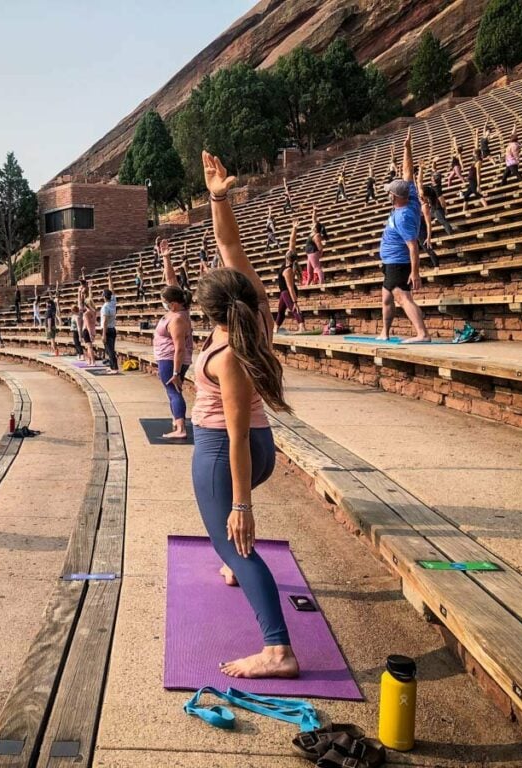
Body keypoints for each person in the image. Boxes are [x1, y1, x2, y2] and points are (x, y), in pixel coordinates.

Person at [192, 150, 298, 679]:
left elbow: (233, 434)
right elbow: (230, 243)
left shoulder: (228, 351)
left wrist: (242, 505)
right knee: (231, 545)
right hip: (259, 446)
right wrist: (217, 197)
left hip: (228, 450)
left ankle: (278, 649)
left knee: (236, 545)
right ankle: (235, 565)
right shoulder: (254, 313)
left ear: (208, 311)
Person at [378, 128, 431, 343]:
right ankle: (385, 332)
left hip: (399, 262)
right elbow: (408, 172)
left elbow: (413, 246)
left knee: (402, 297)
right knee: (386, 298)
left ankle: (422, 334)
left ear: (396, 197)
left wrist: (415, 272)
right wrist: (407, 148)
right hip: (391, 261)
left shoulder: (404, 217)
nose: (388, 194)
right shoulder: (409, 196)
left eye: (390, 192)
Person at [155, 238, 194, 439]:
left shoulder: (178, 318)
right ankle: (177, 421)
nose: (163, 303)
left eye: (165, 301)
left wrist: (177, 372)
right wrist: (166, 258)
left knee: (173, 390)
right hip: (169, 357)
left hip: (172, 359)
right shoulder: (181, 307)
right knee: (172, 391)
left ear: (174, 304)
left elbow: (179, 348)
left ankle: (180, 428)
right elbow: (171, 281)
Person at [274, 222, 307, 334]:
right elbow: (292, 242)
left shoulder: (287, 270)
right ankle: (276, 328)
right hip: (284, 292)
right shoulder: (288, 262)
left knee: (293, 308)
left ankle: (302, 326)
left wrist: (295, 301)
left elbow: (290, 287)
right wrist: (294, 228)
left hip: (288, 292)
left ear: (287, 257)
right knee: (281, 311)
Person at [100, 268, 119, 373]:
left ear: (104, 297)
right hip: (113, 328)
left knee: (109, 349)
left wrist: (103, 334)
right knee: (110, 349)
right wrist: (110, 277)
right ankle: (112, 366)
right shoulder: (113, 302)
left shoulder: (105, 307)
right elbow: (112, 289)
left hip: (107, 329)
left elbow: (105, 321)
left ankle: (114, 368)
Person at [302, 208, 324, 286]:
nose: (312, 225)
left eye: (314, 225)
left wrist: (320, 253)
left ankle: (322, 283)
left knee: (317, 268)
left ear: (315, 228)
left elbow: (320, 247)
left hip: (313, 253)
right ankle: (307, 284)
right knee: (309, 271)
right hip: (309, 254)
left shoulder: (316, 235)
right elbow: (313, 219)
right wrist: (314, 211)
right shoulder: (313, 232)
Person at [82, 298, 97, 367]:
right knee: (89, 347)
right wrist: (93, 332)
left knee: (89, 347)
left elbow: (87, 325)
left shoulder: (86, 313)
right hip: (92, 330)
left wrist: (90, 334)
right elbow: (93, 323)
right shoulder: (94, 312)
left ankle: (92, 361)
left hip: (87, 331)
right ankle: (90, 360)